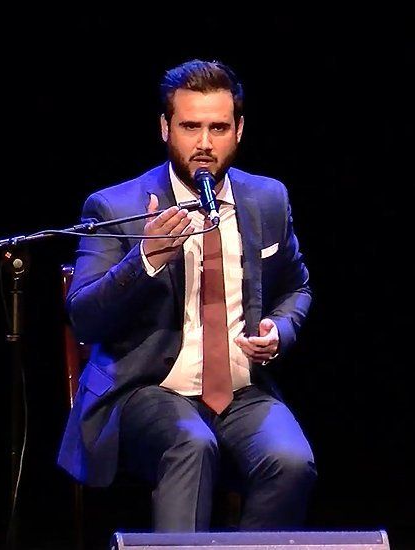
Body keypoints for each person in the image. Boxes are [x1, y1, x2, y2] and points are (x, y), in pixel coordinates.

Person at [57, 59, 316, 532]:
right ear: (165, 128)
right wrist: (146, 259)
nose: (203, 143)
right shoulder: (116, 207)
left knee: (291, 462)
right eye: (190, 126)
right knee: (190, 445)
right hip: (144, 390)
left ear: (238, 130)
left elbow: (297, 288)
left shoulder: (269, 199)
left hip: (241, 392)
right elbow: (84, 317)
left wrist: (280, 329)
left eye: (217, 128)